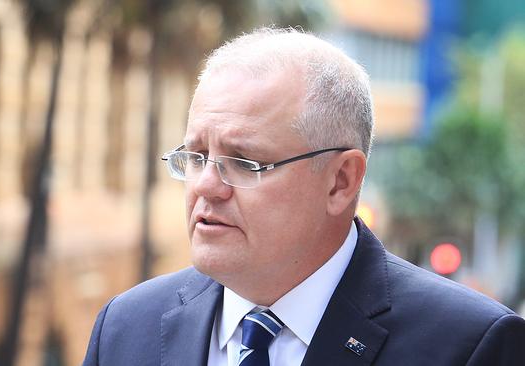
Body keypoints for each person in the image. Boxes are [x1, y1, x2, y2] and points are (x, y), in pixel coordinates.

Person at [82, 27, 525, 366]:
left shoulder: (471, 345)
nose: (205, 186)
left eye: (245, 162)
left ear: (340, 182)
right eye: (197, 156)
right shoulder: (125, 329)